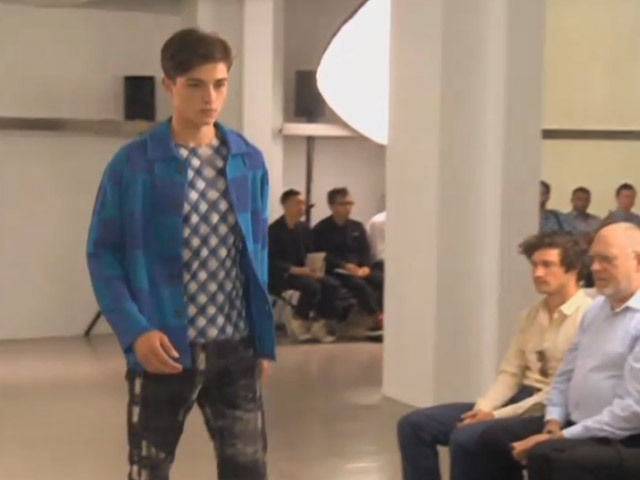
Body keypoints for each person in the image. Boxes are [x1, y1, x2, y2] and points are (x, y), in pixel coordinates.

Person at [87, 29, 273, 480]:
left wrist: (262, 337)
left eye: (220, 84)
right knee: (149, 469)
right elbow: (103, 254)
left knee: (248, 469)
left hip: (236, 348)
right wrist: (135, 332)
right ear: (169, 85)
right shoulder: (133, 165)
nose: (210, 98)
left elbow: (257, 253)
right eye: (195, 85)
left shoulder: (248, 161)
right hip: (164, 347)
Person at [396, 232, 591, 480]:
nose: (537, 273)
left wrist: (495, 416)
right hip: (518, 399)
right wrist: (484, 407)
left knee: (466, 438)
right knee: (413, 425)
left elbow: (559, 390)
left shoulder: (588, 317)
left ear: (573, 269)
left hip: (551, 411)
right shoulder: (530, 316)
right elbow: (510, 373)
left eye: (547, 265)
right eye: (534, 265)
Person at [476, 222, 640, 480]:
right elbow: (566, 373)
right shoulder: (597, 310)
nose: (595, 268)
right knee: (490, 438)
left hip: (624, 436)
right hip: (576, 423)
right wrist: (553, 421)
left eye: (606, 260)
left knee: (547, 455)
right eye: (594, 259)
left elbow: (632, 411)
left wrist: (561, 436)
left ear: (638, 262)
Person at [269, 189, 338, 343]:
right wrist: (296, 270)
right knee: (312, 286)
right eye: (298, 203)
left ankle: (319, 322)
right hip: (281, 275)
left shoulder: (304, 229)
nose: (302, 207)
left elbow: (311, 252)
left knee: (331, 284)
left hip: (304, 272)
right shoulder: (273, 231)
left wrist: (316, 266)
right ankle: (299, 319)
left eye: (304, 204)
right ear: (285, 205)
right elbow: (271, 261)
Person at [313, 188, 384, 333]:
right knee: (358, 284)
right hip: (336, 270)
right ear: (332, 206)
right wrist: (344, 266)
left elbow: (365, 250)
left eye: (350, 203)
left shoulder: (357, 227)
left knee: (381, 279)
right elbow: (322, 255)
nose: (348, 208)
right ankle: (377, 316)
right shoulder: (321, 229)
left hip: (358, 268)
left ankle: (383, 312)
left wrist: (365, 267)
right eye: (343, 204)